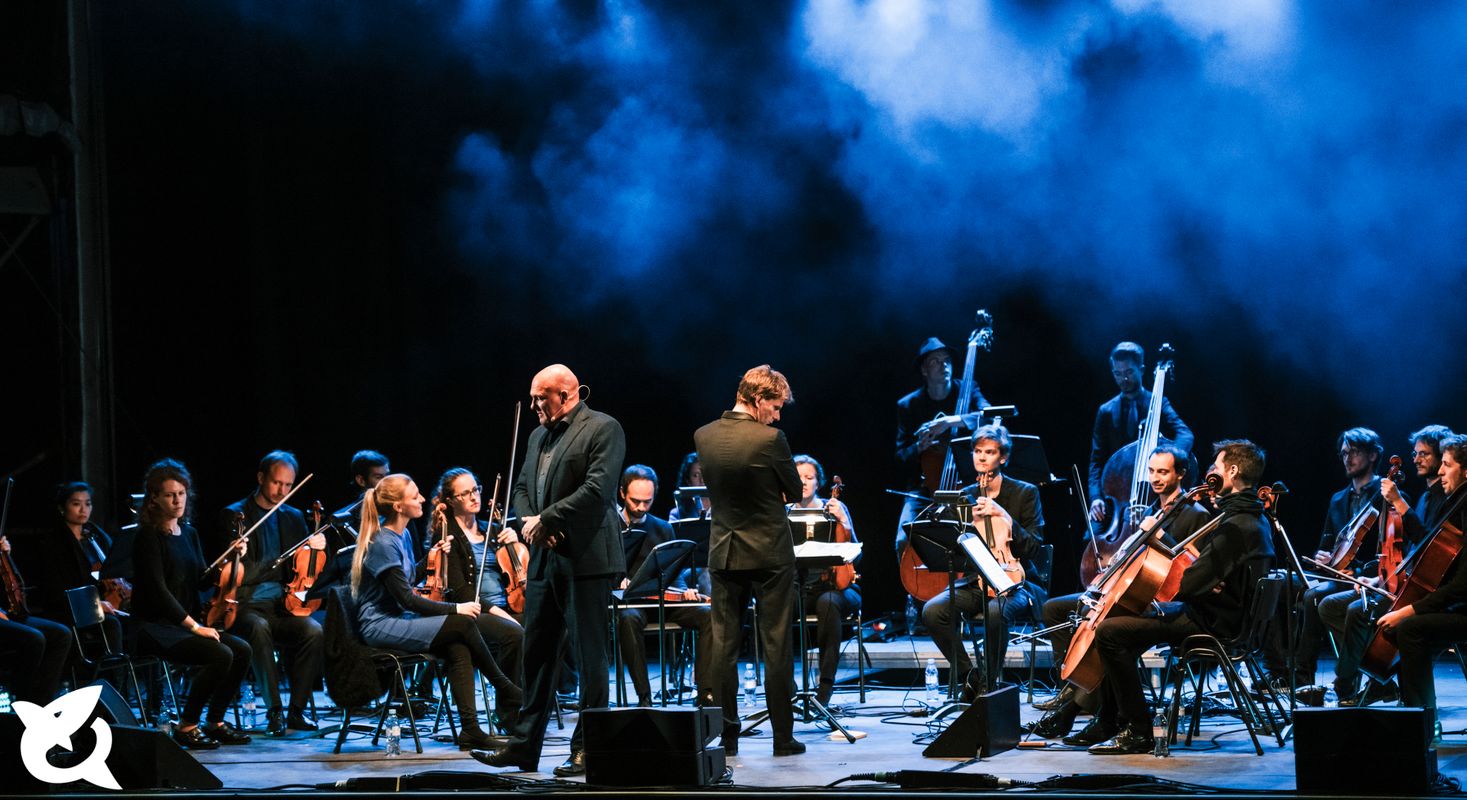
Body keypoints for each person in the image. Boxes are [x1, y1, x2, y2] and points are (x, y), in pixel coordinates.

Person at [472, 364, 626, 776]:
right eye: (534, 396)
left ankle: (589, 748)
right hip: (544, 556)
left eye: (543, 397)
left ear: (569, 394)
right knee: (536, 652)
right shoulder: (538, 434)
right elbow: (521, 489)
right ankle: (524, 747)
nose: (536, 404)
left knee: (588, 656)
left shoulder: (603, 428)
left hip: (586, 558)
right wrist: (530, 523)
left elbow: (598, 489)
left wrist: (550, 520)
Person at [1086, 440, 1275, 754]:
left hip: (1211, 623)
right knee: (1122, 621)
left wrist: (1198, 579)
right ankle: (1113, 718)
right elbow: (1198, 581)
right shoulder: (1252, 518)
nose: (1211, 475)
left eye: (1215, 469)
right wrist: (1203, 579)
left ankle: (1137, 730)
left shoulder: (1235, 526)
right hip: (1220, 616)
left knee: (1109, 632)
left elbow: (1187, 584)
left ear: (1232, 471)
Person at [1031, 443, 1208, 738]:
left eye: (1163, 472)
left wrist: (1161, 534)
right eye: (1151, 471)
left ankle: (1081, 712)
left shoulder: (1194, 513)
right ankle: (1084, 699)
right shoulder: (1153, 508)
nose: (1155, 478)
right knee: (1058, 608)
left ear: (1181, 474)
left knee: (1106, 632)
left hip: (1160, 602)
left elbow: (1189, 567)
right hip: (1131, 591)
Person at [350, 473, 521, 750]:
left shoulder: (402, 534)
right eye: (414, 495)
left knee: (458, 645)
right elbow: (407, 599)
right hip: (381, 624)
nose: (422, 500)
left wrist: (431, 556)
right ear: (398, 506)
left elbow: (406, 579)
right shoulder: (383, 542)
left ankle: (471, 731)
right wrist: (457, 607)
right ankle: (506, 687)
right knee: (463, 624)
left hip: (398, 618)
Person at [694, 364, 805, 757]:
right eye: (775, 406)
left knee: (724, 646)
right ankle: (783, 738)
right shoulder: (771, 439)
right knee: (776, 645)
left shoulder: (703, 436)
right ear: (757, 399)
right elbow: (793, 491)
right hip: (771, 553)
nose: (777, 415)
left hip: (725, 550)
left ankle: (727, 737)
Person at [1317, 425, 1454, 707]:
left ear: (1443, 458)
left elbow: (1427, 546)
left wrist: (1400, 504)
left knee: (1358, 611)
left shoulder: (1445, 500)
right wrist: (1382, 580)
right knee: (1328, 605)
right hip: (1403, 582)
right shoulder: (1427, 498)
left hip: (1426, 593)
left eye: (1424, 454)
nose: (1416, 459)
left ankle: (1346, 684)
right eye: (1415, 453)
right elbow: (1413, 554)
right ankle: (1376, 679)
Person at [130, 459, 253, 750]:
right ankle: (187, 726)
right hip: (154, 627)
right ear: (154, 499)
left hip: (183, 625)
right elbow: (159, 593)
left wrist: (229, 557)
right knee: (221, 654)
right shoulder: (147, 537)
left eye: (182, 493)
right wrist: (195, 627)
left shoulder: (189, 534)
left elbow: (200, 580)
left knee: (242, 650)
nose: (177, 500)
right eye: (170, 494)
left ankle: (216, 721)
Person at [919, 424, 1046, 693]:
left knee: (995, 612)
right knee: (933, 610)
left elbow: (1034, 547)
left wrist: (1004, 515)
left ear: (1003, 457)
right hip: (977, 580)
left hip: (1015, 581)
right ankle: (970, 676)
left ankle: (989, 685)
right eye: (977, 451)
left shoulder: (1025, 493)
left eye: (989, 452)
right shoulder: (965, 496)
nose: (982, 457)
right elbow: (955, 549)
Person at [1265, 428, 1383, 692]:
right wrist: (1323, 556)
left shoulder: (1387, 495)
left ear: (1373, 455)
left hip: (1362, 579)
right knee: (1274, 583)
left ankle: (1304, 675)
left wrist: (1359, 569)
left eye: (1354, 452)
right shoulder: (1338, 499)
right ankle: (1277, 669)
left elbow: (1390, 550)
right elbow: (1326, 546)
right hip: (1334, 574)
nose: (1347, 458)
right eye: (1343, 453)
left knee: (1312, 596)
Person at [219, 451, 326, 735]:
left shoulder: (292, 517)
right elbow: (239, 573)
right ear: (260, 478)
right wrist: (269, 564)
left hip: (282, 603)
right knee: (258, 627)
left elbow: (302, 570)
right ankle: (274, 711)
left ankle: (296, 712)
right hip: (244, 605)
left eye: (288, 485)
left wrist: (314, 549)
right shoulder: (235, 515)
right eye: (276, 483)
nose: (282, 491)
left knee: (313, 631)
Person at [1375, 433, 1467, 743]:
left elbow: (1461, 587)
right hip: (1455, 604)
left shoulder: (1463, 511)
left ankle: (1423, 726)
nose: (1440, 471)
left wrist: (1409, 610)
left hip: (1462, 608)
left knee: (1410, 629)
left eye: (1447, 464)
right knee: (1404, 624)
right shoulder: (1454, 506)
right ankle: (1417, 716)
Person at [613, 464, 711, 707]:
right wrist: (617, 581)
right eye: (635, 501)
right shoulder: (610, 527)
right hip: (629, 603)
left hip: (662, 599)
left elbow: (672, 571)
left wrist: (684, 590)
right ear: (622, 493)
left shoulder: (663, 527)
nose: (641, 507)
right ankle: (644, 698)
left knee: (709, 615)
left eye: (647, 501)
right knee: (628, 620)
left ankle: (706, 695)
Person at [893, 337, 990, 563]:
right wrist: (920, 446)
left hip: (964, 485)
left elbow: (989, 417)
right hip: (924, 489)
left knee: (979, 537)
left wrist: (951, 421)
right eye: (936, 361)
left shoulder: (967, 388)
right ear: (924, 370)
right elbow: (899, 457)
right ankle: (915, 597)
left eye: (947, 360)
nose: (944, 365)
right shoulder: (908, 405)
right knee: (902, 540)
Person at [434, 468, 525, 692]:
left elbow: (519, 572)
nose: (474, 497)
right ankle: (509, 709)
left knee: (553, 623)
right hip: (476, 613)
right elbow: (460, 592)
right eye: (464, 493)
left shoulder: (493, 531)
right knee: (514, 634)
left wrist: (514, 542)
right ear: (450, 500)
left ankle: (537, 698)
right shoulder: (447, 537)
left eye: (475, 489)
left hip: (509, 606)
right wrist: (501, 613)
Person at [1087, 342, 1194, 522]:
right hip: (1117, 498)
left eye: (1129, 372)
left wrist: (1169, 459)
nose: (1124, 379)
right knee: (1092, 537)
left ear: (1142, 369)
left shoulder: (1158, 402)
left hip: (1151, 492)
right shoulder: (1105, 410)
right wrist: (1096, 497)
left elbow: (1185, 434)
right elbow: (1096, 461)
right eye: (1118, 374)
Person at [788, 454, 860, 708]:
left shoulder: (834, 509)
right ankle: (788, 686)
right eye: (799, 478)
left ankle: (825, 686)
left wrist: (844, 520)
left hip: (835, 588)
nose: (804, 483)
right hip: (798, 587)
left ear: (818, 482)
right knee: (776, 605)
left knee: (828, 603)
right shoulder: (783, 514)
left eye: (809, 478)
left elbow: (855, 558)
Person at [34, 481, 125, 653]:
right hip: (72, 608)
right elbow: (58, 590)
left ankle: (149, 675)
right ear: (62, 508)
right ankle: (116, 676)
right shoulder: (53, 543)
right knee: (112, 624)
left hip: (102, 602)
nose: (83, 510)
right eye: (76, 504)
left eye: (88, 504)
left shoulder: (95, 536)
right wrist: (95, 604)